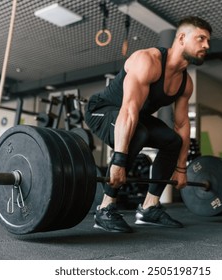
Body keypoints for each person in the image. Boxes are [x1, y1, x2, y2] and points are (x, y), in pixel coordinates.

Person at [85, 16, 212, 233]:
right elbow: (129, 110)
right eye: (201, 39)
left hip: (134, 118)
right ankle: (105, 208)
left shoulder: (185, 83)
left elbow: (182, 125)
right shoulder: (147, 61)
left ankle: (149, 207)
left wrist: (181, 168)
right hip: (102, 110)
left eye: (208, 41)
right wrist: (118, 161)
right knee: (139, 133)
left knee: (171, 141)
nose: (206, 45)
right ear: (181, 37)